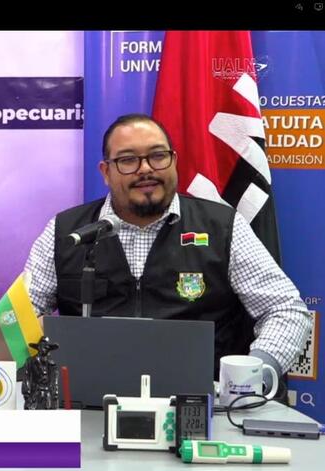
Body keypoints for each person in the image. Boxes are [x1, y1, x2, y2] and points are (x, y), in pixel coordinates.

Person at [24, 113, 311, 384]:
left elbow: (285, 309)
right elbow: (19, 316)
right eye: (128, 160)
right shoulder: (68, 232)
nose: (146, 169)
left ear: (174, 161)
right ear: (106, 172)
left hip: (203, 402)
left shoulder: (222, 226)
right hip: (84, 398)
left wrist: (248, 379)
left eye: (158, 156)